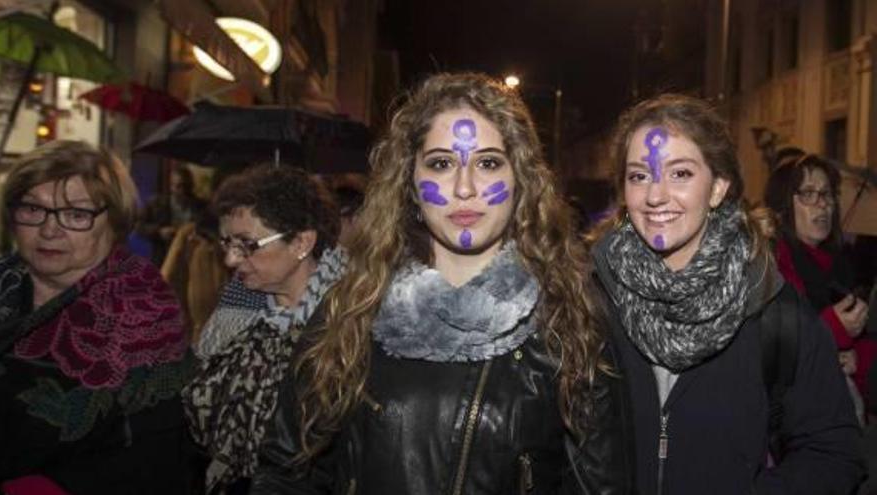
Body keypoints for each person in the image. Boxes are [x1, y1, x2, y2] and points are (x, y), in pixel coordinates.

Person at [250, 73, 631, 494]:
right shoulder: (353, 309)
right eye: (441, 163)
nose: (464, 188)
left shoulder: (569, 319)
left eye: (487, 163)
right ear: (409, 183)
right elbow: (286, 473)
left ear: (519, 179)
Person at [591, 94, 863, 495]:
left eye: (680, 174)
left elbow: (834, 453)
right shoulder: (589, 301)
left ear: (718, 187)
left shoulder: (774, 309)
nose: (654, 195)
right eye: (638, 176)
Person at [0, 140, 194, 495]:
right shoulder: (2, 280)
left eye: (76, 214)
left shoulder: (146, 313)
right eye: (32, 209)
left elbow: (158, 459)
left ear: (114, 223)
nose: (49, 230)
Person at [183, 164, 346, 494]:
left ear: (301, 242)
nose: (229, 260)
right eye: (226, 243)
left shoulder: (352, 317)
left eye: (246, 244)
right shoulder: (235, 307)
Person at [765, 153, 874, 417]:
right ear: (784, 203)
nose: (822, 205)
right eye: (809, 194)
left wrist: (856, 358)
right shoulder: (772, 262)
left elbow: (862, 339)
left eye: (827, 194)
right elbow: (774, 348)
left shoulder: (839, 263)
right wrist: (834, 329)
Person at [137, 163, 205, 266]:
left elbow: (210, 230)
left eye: (185, 186)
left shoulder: (201, 206)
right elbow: (139, 226)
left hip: (191, 261)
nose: (182, 191)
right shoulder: (157, 204)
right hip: (164, 259)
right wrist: (159, 231)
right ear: (171, 186)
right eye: (178, 186)